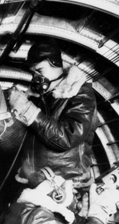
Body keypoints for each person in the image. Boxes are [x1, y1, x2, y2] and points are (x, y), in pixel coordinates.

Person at [8, 40, 98, 189]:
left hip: (65, 186)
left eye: (40, 71)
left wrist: (26, 109)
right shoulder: (42, 97)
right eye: (33, 73)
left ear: (55, 63)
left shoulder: (81, 93)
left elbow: (67, 137)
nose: (36, 77)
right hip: (39, 182)